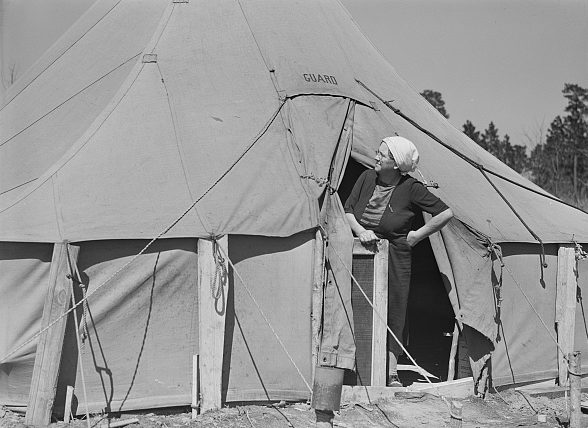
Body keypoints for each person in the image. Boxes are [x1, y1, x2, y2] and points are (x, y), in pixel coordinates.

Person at [344, 136, 453, 387]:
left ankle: (391, 371)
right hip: (360, 250)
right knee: (356, 306)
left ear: (395, 164)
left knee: (394, 308)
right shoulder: (366, 178)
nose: (376, 157)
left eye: (382, 154)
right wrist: (361, 231)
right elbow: (348, 210)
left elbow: (445, 213)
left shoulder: (410, 187)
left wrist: (417, 235)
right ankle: (354, 368)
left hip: (395, 255)